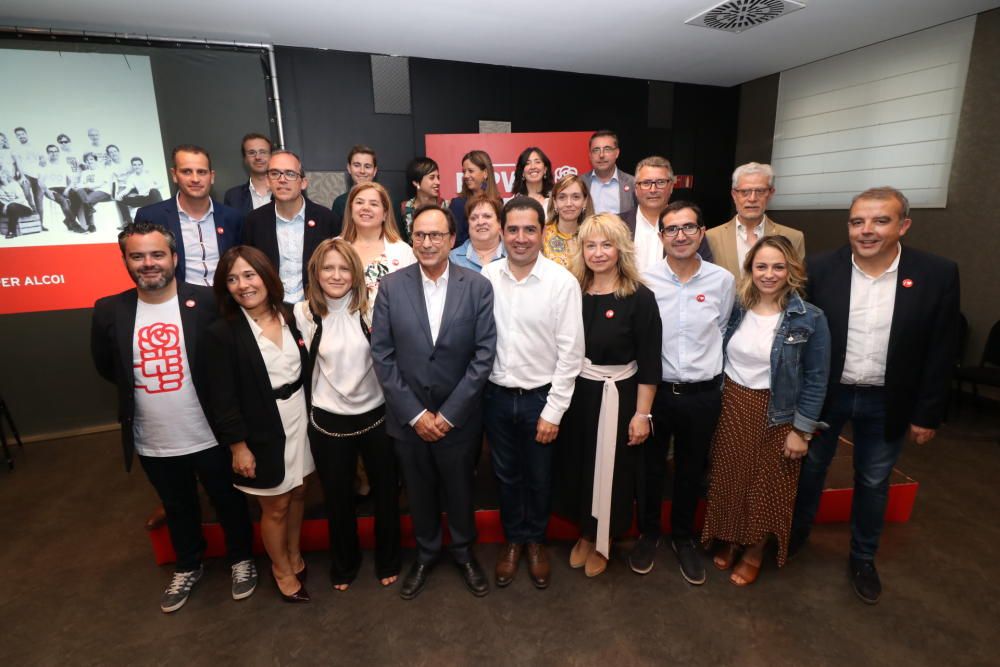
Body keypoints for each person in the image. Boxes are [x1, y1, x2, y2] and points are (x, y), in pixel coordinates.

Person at [790, 186, 960, 604]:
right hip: (827, 397)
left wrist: (928, 414)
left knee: (873, 479)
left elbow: (942, 348)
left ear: (903, 225)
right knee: (809, 472)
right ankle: (793, 539)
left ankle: (863, 558)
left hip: (887, 400)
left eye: (880, 220)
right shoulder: (820, 269)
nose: (866, 231)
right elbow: (800, 339)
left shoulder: (937, 273)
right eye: (857, 221)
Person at [90, 221, 256, 613]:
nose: (149, 263)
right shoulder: (109, 311)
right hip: (152, 436)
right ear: (126, 261)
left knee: (228, 501)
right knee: (177, 504)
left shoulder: (209, 302)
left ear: (174, 258)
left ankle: (241, 560)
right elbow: (107, 367)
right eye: (138, 256)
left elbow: (230, 362)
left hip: (210, 432)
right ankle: (188, 564)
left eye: (157, 254)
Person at [370, 204, 498, 600]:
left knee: (461, 489)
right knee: (419, 491)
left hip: (458, 419)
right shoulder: (391, 287)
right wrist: (415, 414)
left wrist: (448, 414)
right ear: (412, 239)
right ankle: (425, 554)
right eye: (421, 235)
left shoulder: (476, 286)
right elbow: (382, 354)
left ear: (451, 239)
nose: (427, 243)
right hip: (408, 419)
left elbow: (483, 355)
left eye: (436, 235)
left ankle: (463, 552)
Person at [701, 235, 830, 586]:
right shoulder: (738, 307)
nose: (769, 274)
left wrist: (801, 430)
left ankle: (755, 550)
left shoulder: (810, 318)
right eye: (761, 266)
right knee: (728, 478)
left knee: (767, 486)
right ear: (750, 270)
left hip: (778, 414)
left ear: (792, 270)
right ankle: (728, 538)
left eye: (778, 266)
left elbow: (817, 379)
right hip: (732, 405)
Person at [482, 196, 585, 589]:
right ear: (502, 232)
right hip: (495, 397)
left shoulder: (561, 283)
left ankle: (536, 541)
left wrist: (553, 411)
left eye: (529, 229)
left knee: (540, 477)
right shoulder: (486, 279)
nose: (520, 238)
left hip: (542, 399)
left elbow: (571, 352)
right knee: (506, 476)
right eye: (513, 229)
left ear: (543, 232)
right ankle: (513, 541)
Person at [203, 245, 315, 603]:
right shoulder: (222, 333)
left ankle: (295, 554)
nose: (242, 285)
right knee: (275, 504)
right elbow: (221, 398)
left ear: (266, 276)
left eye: (249, 275)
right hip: (261, 429)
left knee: (298, 491)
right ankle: (281, 569)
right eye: (232, 279)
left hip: (299, 417)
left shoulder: (291, 316)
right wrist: (238, 446)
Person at [552, 213, 662, 577]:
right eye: (590, 245)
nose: (598, 253)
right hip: (580, 393)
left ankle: (606, 538)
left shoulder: (640, 297)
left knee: (614, 471)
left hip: (621, 395)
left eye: (606, 244)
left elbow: (649, 361)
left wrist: (642, 414)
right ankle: (586, 531)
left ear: (621, 249)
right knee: (581, 465)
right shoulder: (572, 292)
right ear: (580, 250)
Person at [632, 201, 735, 585]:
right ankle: (648, 533)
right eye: (671, 229)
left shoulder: (722, 281)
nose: (680, 236)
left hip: (703, 394)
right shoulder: (645, 281)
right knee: (651, 468)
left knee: (692, 469)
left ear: (702, 232)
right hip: (656, 394)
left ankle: (682, 537)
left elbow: (722, 329)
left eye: (688, 227)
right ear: (660, 237)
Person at [295, 238, 401, 591]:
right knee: (338, 499)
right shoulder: (302, 313)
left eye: (344, 268)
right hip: (328, 421)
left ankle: (389, 560)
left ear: (355, 272)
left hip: (376, 415)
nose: (336, 275)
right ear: (315, 272)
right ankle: (345, 565)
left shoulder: (373, 309)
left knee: (386, 494)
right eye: (328, 268)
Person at [135, 145, 243, 286]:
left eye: (202, 172)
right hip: (177, 302)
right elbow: (142, 267)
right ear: (174, 175)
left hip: (225, 301)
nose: (195, 179)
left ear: (212, 177)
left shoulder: (233, 217)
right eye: (186, 172)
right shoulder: (151, 216)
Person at [242, 150, 338, 305]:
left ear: (303, 182)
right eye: (275, 173)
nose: (282, 180)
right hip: (272, 309)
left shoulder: (327, 219)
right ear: (267, 181)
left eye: (290, 174)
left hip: (317, 308)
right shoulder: (254, 222)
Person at [706, 162, 805, 279]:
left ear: (770, 193)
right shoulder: (711, 237)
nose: (752, 198)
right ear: (734, 195)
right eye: (745, 192)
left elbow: (796, 283)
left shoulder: (793, 237)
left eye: (760, 191)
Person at [621, 156, 712, 273]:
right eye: (646, 183)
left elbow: (705, 270)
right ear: (636, 188)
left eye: (661, 182)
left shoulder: (691, 226)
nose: (653, 189)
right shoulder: (617, 224)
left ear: (671, 187)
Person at [339, 181, 415, 304]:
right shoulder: (334, 248)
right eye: (359, 202)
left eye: (373, 204)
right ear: (350, 210)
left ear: (385, 214)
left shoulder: (404, 251)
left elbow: (412, 299)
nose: (365, 208)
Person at [448, 150, 500, 248]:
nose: (466, 176)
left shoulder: (498, 202)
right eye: (464, 172)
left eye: (470, 171)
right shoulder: (458, 204)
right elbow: (455, 242)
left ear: (485, 173)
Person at [541, 174, 594, 269]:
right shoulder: (542, 235)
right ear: (555, 202)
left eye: (576, 197)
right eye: (562, 197)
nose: (569, 204)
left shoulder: (593, 235)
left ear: (585, 201)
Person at [449, 192, 506, 272]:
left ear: (499, 222)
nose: (480, 222)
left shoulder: (512, 255)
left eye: (487, 216)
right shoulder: (452, 259)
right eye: (474, 218)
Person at [582, 130, 635, 216]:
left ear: (617, 153)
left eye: (607, 149)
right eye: (596, 150)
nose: (601, 155)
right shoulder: (580, 182)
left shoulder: (633, 183)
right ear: (590, 155)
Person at [400, 157, 447, 244]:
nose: (438, 182)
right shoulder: (406, 208)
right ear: (416, 182)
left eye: (438, 177)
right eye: (432, 178)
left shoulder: (445, 206)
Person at [223, 133, 273, 216]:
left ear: (271, 156)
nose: (258, 157)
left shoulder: (286, 189)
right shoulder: (233, 197)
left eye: (263, 152)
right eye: (252, 153)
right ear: (245, 159)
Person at [331, 145, 378, 228]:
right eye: (357, 165)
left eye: (367, 166)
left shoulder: (386, 201)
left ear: (374, 171)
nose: (362, 171)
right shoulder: (340, 203)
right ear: (349, 168)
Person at [66, 151, 113, 233]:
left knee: (85, 200)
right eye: (87, 160)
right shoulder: (84, 173)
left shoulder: (102, 170)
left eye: (91, 159)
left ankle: (87, 224)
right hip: (90, 193)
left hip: (103, 191)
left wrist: (85, 186)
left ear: (95, 160)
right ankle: (91, 224)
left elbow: (100, 184)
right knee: (82, 194)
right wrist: (78, 187)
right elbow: (81, 184)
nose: (89, 161)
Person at [10, 127, 43, 229]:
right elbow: (18, 164)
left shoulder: (36, 146)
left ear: (26, 134)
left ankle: (41, 224)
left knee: (39, 200)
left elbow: (42, 160)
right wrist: (22, 176)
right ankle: (33, 210)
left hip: (38, 175)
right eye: (18, 135)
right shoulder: (16, 149)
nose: (21, 136)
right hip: (26, 175)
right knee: (26, 194)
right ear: (16, 137)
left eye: (22, 134)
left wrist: (42, 175)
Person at [116, 157, 164, 225]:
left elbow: (162, 184)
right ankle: (128, 222)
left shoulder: (149, 173)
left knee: (154, 191)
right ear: (132, 166)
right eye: (134, 165)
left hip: (152, 198)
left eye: (139, 164)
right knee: (119, 199)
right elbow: (127, 189)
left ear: (142, 165)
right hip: (142, 199)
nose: (137, 166)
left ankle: (162, 215)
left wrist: (150, 188)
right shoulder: (131, 177)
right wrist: (120, 194)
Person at [39, 144, 76, 230]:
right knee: (63, 201)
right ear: (47, 153)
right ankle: (74, 224)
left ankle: (68, 220)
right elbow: (40, 181)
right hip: (51, 189)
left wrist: (67, 189)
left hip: (63, 188)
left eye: (55, 151)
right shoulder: (45, 166)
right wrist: (47, 191)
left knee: (77, 197)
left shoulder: (64, 165)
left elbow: (72, 181)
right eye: (51, 152)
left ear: (58, 153)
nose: (54, 153)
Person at [1, 168, 36, 239]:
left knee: (12, 206)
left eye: (3, 175)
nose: (1, 177)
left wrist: (7, 205)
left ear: (7, 176)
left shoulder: (14, 185)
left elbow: (21, 199)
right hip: (8, 209)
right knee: (10, 207)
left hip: (24, 208)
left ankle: (12, 231)